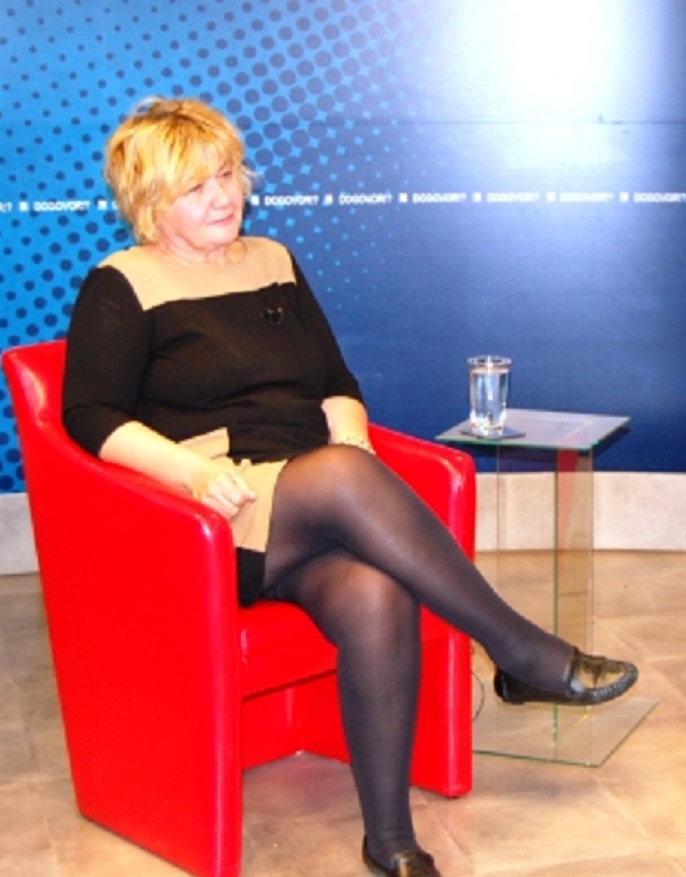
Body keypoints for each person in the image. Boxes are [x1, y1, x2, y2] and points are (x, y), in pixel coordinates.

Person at [62, 96, 638, 877]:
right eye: (197, 187)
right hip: (214, 518)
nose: (224, 196)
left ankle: (391, 841)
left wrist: (355, 443)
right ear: (151, 201)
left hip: (314, 504)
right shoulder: (121, 284)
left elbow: (335, 382)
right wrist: (192, 472)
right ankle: (518, 649)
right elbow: (88, 415)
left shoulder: (273, 260)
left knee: (377, 593)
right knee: (338, 475)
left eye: (228, 174)